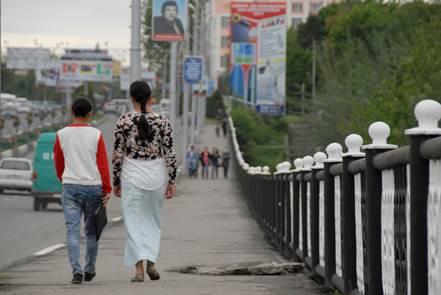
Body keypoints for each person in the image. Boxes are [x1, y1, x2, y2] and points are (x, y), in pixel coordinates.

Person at [112, 81, 177, 283]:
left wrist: (116, 180)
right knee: (152, 221)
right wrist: (172, 180)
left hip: (132, 175)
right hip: (156, 176)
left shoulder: (124, 121)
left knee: (133, 223)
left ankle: (139, 269)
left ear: (131, 98)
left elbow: (117, 154)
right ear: (150, 98)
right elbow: (170, 153)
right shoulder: (163, 121)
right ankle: (151, 261)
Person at [53, 97, 112, 285]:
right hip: (93, 186)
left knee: (72, 231)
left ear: (72, 111)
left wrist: (64, 178)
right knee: (91, 232)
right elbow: (102, 164)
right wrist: (107, 188)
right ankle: (90, 269)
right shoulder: (96, 134)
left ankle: (76, 271)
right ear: (89, 114)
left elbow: (58, 162)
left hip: (70, 186)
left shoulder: (61, 134)